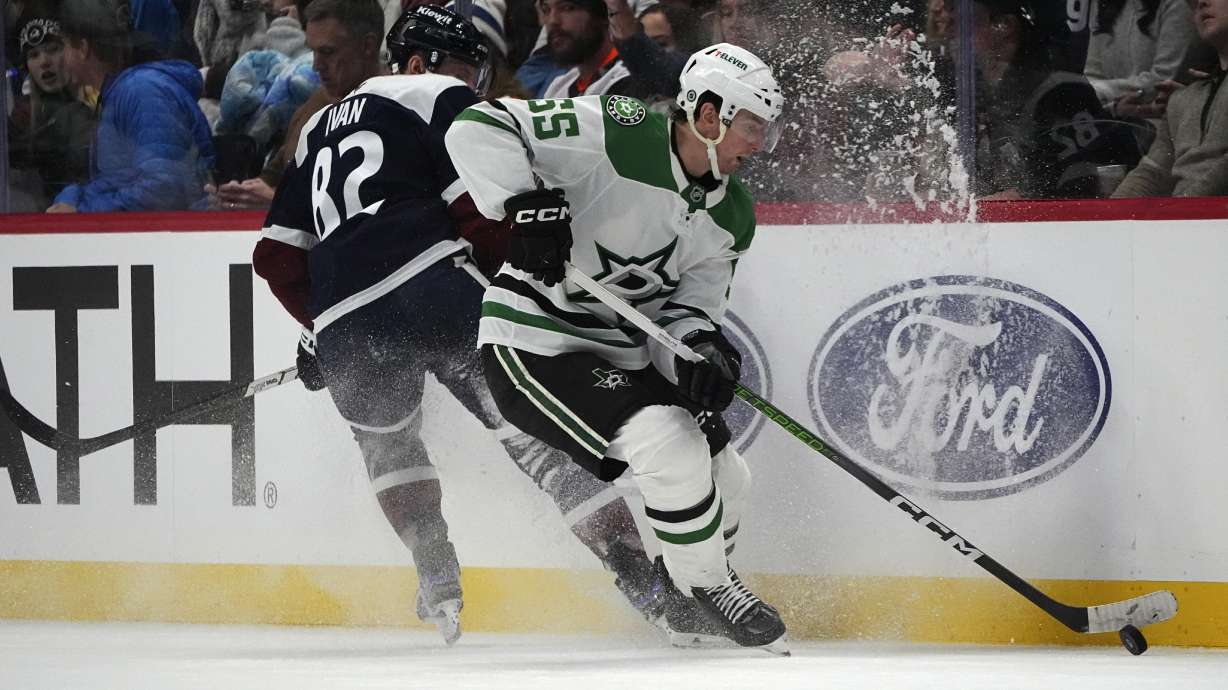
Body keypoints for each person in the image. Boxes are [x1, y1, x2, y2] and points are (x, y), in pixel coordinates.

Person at [254, 5, 716, 646]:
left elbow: (276, 258)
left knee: (387, 447)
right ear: (419, 63)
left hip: (344, 323)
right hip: (436, 286)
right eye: (465, 70)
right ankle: (646, 585)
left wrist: (320, 327)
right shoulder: (436, 96)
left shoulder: (312, 130)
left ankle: (436, 575)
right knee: (540, 440)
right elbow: (479, 210)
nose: (474, 87)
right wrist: (536, 283)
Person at [445, 42, 790, 653]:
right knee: (669, 444)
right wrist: (524, 203)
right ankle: (709, 587)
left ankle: (686, 601)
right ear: (708, 114)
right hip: (536, 340)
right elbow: (477, 124)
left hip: (621, 348)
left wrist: (701, 353)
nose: (759, 143)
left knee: (728, 475)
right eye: (751, 125)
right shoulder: (618, 129)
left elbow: (688, 312)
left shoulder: (734, 215)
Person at [209, 0, 388, 210]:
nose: (316, 65)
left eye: (328, 52)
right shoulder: (318, 102)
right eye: (313, 52)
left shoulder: (396, 115)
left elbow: (373, 209)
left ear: (367, 46)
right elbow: (281, 169)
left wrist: (279, 203)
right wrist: (241, 194)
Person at [49, 0, 215, 212]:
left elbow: (163, 190)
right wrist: (73, 197)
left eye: (63, 46)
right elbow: (118, 180)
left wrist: (83, 212)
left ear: (82, 48)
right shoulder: (120, 93)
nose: (60, 60)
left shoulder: (142, 91)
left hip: (173, 231)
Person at [1112, 0, 1228, 196]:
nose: (1201, 3)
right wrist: (1109, 212)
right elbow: (1151, 173)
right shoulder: (1182, 99)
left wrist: (1184, 208)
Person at [6, 10, 96, 210]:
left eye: (53, 49)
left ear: (72, 52)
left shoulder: (99, 100)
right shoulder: (23, 117)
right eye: (34, 55)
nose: (44, 61)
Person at [1084, 0, 1197, 120]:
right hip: (1109, 115)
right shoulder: (1101, 4)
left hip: (1163, 121)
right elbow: (1092, 71)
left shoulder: (1177, 4)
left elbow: (1161, 80)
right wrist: (1111, 107)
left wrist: (1096, 93)